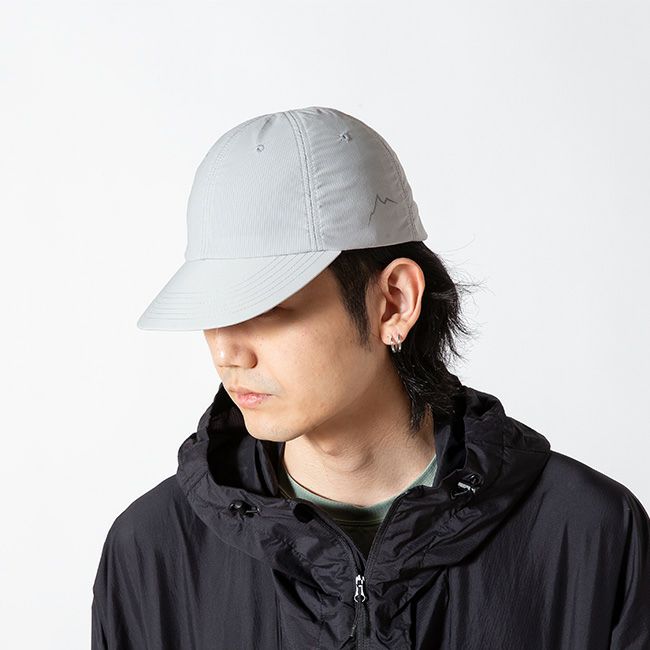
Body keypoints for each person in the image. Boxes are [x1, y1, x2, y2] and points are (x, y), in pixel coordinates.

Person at [91, 106, 650, 649]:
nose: (225, 351)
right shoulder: (152, 554)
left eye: (267, 309)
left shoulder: (591, 537)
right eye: (213, 312)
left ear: (394, 303)